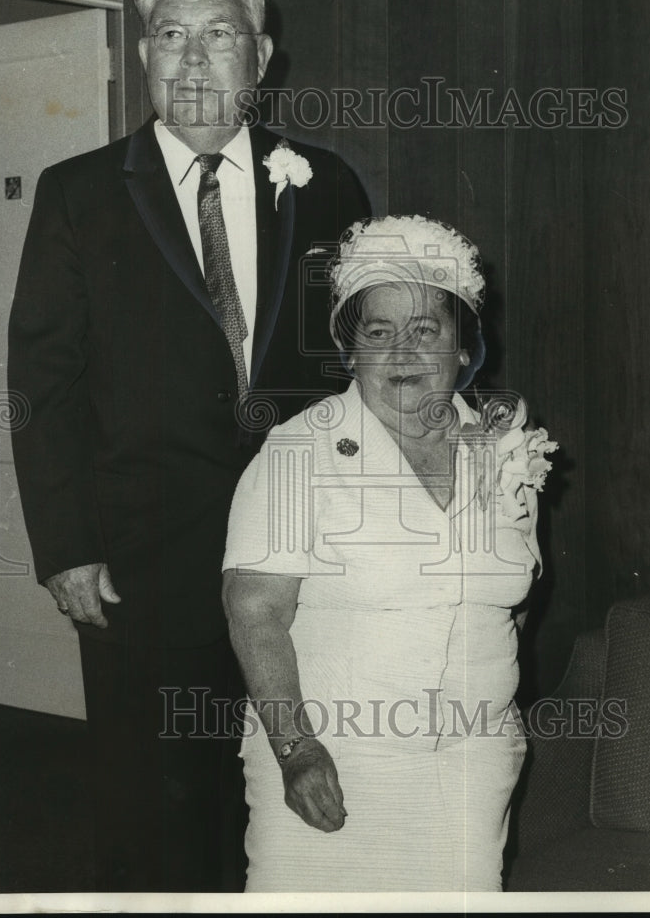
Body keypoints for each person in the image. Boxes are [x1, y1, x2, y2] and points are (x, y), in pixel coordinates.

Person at [7, 0, 370, 892]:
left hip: (298, 556)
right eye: (173, 36)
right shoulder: (77, 193)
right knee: (152, 813)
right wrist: (66, 547)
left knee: (288, 798)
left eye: (220, 36)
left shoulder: (325, 186)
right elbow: (41, 386)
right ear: (142, 54)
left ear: (262, 56)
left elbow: (355, 368)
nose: (196, 62)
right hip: (139, 564)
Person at [222, 214, 558, 891]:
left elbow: (513, 602)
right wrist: (295, 748)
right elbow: (255, 612)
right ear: (351, 353)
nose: (402, 353)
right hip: (332, 758)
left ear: (464, 350)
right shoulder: (299, 452)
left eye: (426, 331)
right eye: (378, 333)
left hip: (471, 764)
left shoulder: (506, 448)